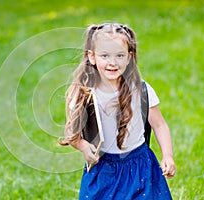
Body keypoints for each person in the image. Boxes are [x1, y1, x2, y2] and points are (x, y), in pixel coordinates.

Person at [59, 23, 176, 199]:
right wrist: (83, 146)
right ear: (92, 56)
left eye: (119, 55)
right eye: (105, 55)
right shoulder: (83, 93)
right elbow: (71, 130)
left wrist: (167, 156)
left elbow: (159, 125)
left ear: (129, 57)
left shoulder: (140, 90)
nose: (112, 62)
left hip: (139, 167)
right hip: (103, 169)